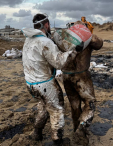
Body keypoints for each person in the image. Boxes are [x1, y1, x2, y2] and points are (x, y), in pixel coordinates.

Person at [22, 13, 81, 146]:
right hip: (45, 84)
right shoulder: (44, 42)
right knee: (57, 109)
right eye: (49, 25)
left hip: (31, 83)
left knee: (43, 107)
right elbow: (58, 62)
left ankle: (37, 133)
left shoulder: (29, 39)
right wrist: (74, 51)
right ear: (46, 25)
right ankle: (57, 140)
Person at [61, 21, 103, 146]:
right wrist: (88, 35)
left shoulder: (65, 38)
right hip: (81, 75)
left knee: (74, 105)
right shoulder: (88, 38)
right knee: (90, 104)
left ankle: (76, 130)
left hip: (66, 76)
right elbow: (99, 44)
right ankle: (81, 129)